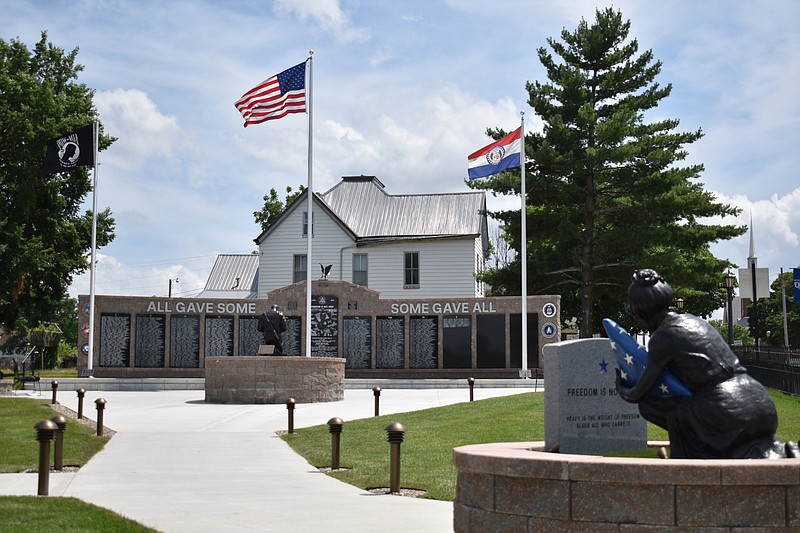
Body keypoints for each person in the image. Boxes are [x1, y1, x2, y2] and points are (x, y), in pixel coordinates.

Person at [615, 268, 797, 459]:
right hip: (760, 402)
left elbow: (639, 393)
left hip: (726, 408)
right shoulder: (694, 321)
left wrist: (623, 388)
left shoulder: (663, 337)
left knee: (652, 405)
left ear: (641, 314)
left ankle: (693, 456)